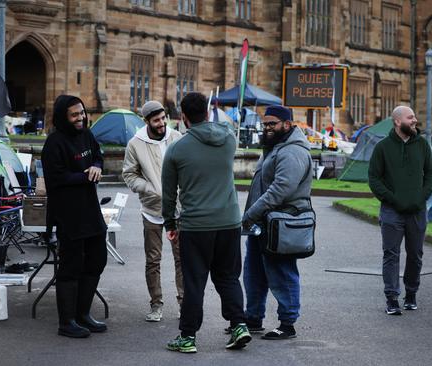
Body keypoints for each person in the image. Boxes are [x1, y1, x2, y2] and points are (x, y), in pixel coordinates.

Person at [162, 92, 251, 353]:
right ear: (208, 111)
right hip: (229, 222)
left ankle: (188, 337)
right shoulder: (227, 139)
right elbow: (223, 125)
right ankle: (239, 325)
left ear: (183, 117)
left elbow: (169, 194)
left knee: (194, 282)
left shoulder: (177, 149)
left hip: (196, 225)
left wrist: (170, 223)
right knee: (228, 277)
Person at [241, 105, 313, 340]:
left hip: (281, 224)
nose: (268, 128)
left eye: (273, 124)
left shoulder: (293, 151)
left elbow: (279, 190)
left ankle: (287, 323)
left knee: (282, 273)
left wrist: (250, 213)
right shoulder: (274, 147)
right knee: (254, 274)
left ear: (287, 124)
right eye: (265, 124)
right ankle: (253, 318)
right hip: (262, 224)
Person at [42, 95, 108, 338]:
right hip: (68, 214)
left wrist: (97, 166)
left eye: (82, 112)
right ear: (63, 117)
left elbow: (98, 157)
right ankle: (66, 322)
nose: (80, 118)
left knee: (97, 260)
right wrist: (85, 175)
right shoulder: (54, 143)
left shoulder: (87, 135)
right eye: (74, 115)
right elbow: (56, 179)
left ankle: (83, 314)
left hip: (91, 211)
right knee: (71, 266)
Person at [368, 105, 432, 315]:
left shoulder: (422, 145)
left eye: (414, 117)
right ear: (398, 121)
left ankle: (411, 293)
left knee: (415, 254)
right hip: (391, 212)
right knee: (391, 254)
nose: (415, 120)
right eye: (410, 117)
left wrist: (421, 196)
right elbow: (374, 178)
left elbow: (431, 172)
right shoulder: (383, 148)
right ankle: (392, 298)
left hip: (417, 211)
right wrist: (392, 199)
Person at [123, 100, 183, 322]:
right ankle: (156, 304)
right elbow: (129, 174)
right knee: (153, 260)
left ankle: (183, 303)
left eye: (163, 118)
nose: (162, 123)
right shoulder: (135, 144)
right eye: (156, 120)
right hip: (151, 210)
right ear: (146, 121)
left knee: (182, 259)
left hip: (177, 211)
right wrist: (150, 189)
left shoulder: (176, 137)